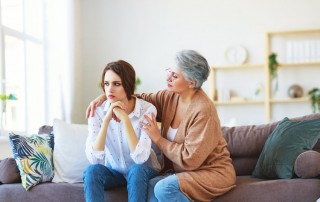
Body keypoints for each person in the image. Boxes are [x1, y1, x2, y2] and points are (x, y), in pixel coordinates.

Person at [86, 50, 236, 201]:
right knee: (150, 190)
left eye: (175, 76)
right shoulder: (170, 96)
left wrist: (157, 138)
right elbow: (135, 98)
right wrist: (106, 96)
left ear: (192, 82)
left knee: (163, 188)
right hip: (182, 172)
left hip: (210, 171)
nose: (168, 78)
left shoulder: (203, 110)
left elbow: (190, 160)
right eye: (169, 72)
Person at [83, 60, 161, 202]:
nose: (109, 90)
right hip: (115, 172)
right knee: (92, 171)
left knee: (136, 170)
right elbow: (94, 159)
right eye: (106, 84)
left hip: (143, 170)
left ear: (127, 84)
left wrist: (125, 119)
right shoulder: (97, 111)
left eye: (116, 84)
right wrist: (106, 121)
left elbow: (141, 158)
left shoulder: (147, 110)